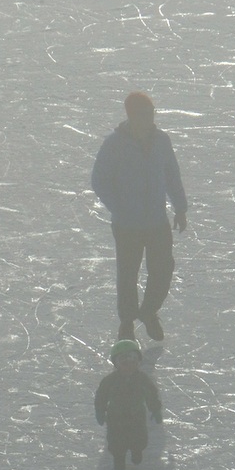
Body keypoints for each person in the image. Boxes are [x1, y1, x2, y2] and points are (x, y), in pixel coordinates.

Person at [91, 92, 188, 340]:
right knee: (128, 275)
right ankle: (126, 324)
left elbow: (172, 175)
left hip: (157, 222)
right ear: (131, 116)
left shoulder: (161, 141)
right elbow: (99, 180)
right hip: (127, 226)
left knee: (163, 270)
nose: (150, 119)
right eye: (145, 115)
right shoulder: (114, 144)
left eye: (152, 113)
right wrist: (119, 208)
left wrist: (180, 207)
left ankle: (148, 312)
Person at [94, 339, 163, 470]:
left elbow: (151, 394)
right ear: (116, 364)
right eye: (124, 362)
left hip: (136, 415)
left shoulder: (142, 379)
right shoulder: (110, 381)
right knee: (116, 441)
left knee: (139, 438)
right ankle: (118, 458)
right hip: (115, 417)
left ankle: (137, 450)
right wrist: (100, 411)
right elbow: (101, 396)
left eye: (133, 361)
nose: (129, 366)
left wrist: (155, 409)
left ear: (138, 362)